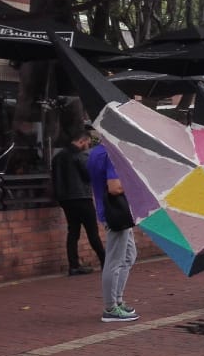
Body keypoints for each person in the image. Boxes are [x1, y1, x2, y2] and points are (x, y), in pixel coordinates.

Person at [88, 142, 139, 323]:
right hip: (116, 213)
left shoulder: (96, 152)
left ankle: (117, 300)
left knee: (129, 256)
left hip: (112, 212)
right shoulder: (113, 154)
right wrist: (133, 179)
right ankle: (110, 307)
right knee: (115, 260)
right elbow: (115, 187)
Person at [51, 129, 106, 275]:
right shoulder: (79, 156)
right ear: (81, 141)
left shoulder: (57, 157)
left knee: (73, 232)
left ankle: (74, 265)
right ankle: (105, 261)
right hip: (81, 197)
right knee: (92, 232)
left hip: (65, 199)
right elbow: (88, 176)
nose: (87, 146)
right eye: (87, 143)